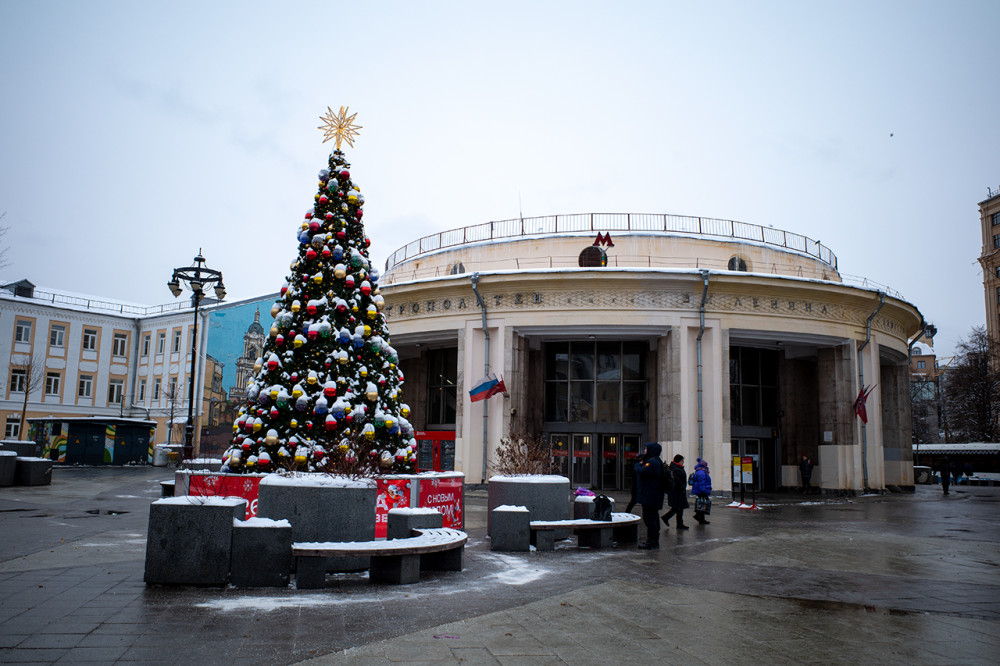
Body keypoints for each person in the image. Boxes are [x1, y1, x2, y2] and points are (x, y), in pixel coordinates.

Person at [634, 442, 665, 549]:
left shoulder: (652, 462)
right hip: (653, 495)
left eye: (646, 449)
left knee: (650, 518)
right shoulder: (656, 461)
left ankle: (652, 542)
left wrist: (637, 464)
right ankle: (653, 541)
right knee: (653, 517)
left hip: (650, 495)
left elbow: (641, 471)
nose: (645, 451)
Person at [661, 454, 689, 529]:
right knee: (677, 508)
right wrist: (682, 487)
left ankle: (678, 523)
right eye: (682, 460)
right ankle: (668, 518)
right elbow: (677, 481)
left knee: (678, 508)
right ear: (679, 461)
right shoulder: (676, 469)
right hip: (677, 492)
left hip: (677, 491)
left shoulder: (676, 468)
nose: (683, 462)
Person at [690, 458, 712, 525]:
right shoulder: (702, 472)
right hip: (701, 490)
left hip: (700, 490)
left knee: (702, 504)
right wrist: (703, 490)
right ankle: (699, 518)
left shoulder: (699, 471)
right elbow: (701, 482)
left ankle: (700, 518)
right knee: (703, 504)